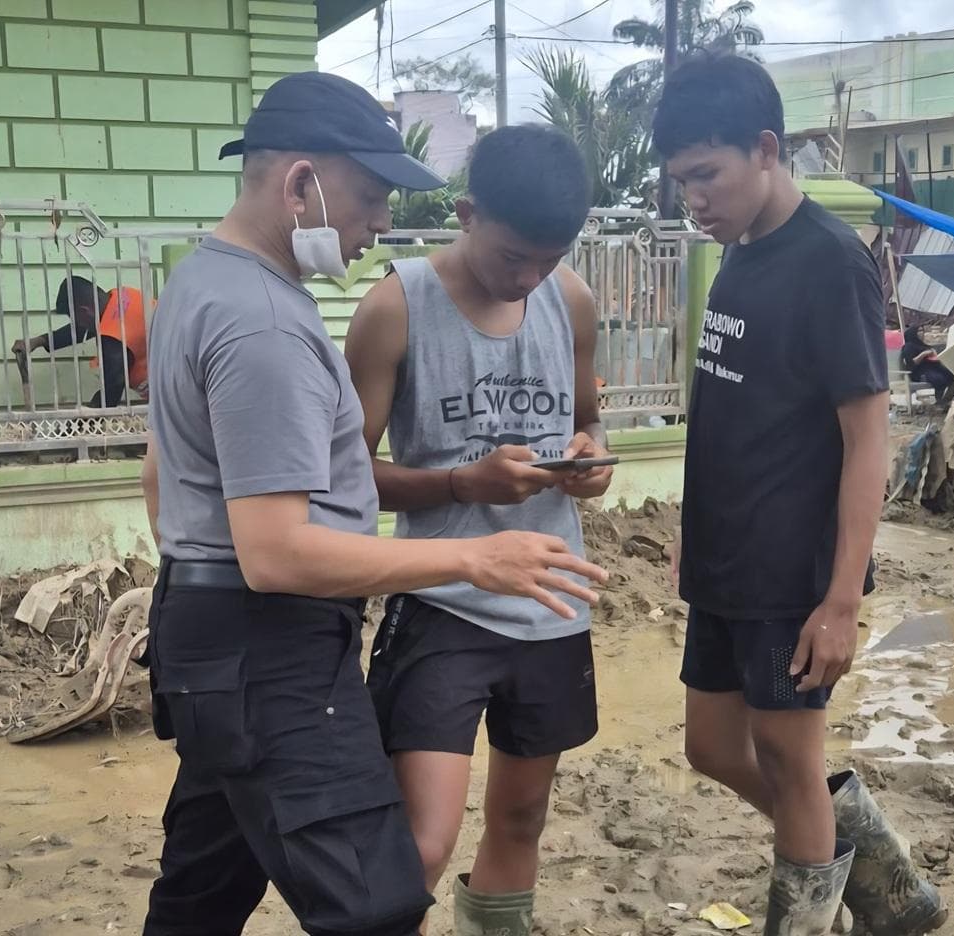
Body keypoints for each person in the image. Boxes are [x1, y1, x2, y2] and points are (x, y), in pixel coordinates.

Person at [138, 72, 606, 936]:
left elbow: (158, 478)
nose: (380, 222)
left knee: (200, 895)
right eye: (370, 196)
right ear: (301, 185)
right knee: (377, 904)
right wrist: (471, 554)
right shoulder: (266, 327)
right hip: (266, 645)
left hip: (210, 633)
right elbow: (277, 553)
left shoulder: (201, 285)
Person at [652, 54, 945, 936]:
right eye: (680, 183)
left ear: (767, 149)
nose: (694, 199)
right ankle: (877, 865)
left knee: (786, 755)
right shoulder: (739, 254)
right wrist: (691, 533)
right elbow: (736, 414)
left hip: (793, 573)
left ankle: (813, 912)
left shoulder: (831, 262)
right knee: (712, 746)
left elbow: (868, 441)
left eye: (707, 175)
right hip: (726, 561)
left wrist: (842, 599)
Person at [346, 124, 612, 936]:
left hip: (550, 600)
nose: (528, 277)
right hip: (442, 603)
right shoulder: (396, 307)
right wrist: (464, 481)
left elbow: (591, 425)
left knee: (522, 819)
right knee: (423, 838)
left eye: (548, 257)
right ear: (465, 213)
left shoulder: (568, 300)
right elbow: (344, 480)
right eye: (511, 258)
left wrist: (591, 462)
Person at [12, 275, 148, 406]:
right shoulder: (123, 297)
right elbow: (89, 327)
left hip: (164, 392)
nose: (76, 323)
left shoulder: (113, 341)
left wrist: (79, 423)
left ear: (84, 311)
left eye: (74, 318)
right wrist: (40, 341)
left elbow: (110, 393)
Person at [900, 325, 954, 405]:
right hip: (920, 372)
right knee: (939, 379)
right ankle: (940, 402)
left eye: (922, 331)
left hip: (933, 368)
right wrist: (923, 354)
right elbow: (911, 364)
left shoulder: (922, 345)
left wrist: (934, 354)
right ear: (913, 333)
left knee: (953, 376)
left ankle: (945, 400)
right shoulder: (909, 346)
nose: (922, 333)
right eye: (919, 331)